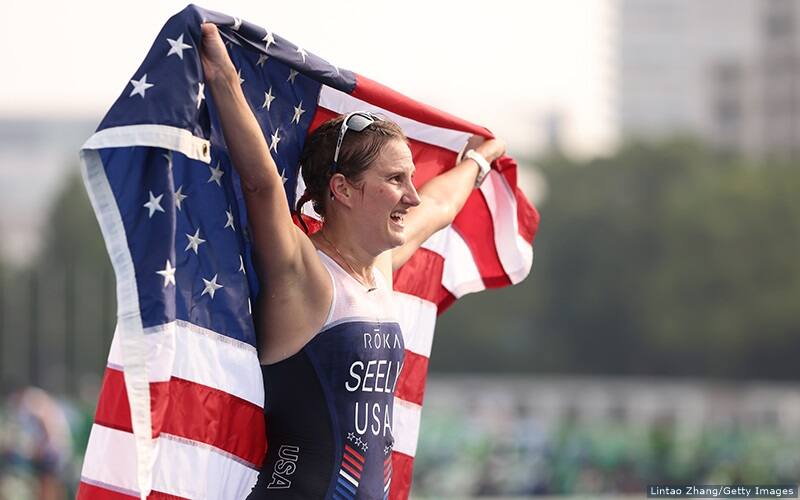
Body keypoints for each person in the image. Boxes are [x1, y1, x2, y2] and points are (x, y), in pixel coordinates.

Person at [200, 23, 506, 499]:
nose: (410, 195)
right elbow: (261, 185)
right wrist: (223, 78)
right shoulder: (306, 276)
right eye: (395, 180)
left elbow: (440, 207)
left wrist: (479, 162)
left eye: (410, 178)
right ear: (342, 189)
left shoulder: (379, 271)